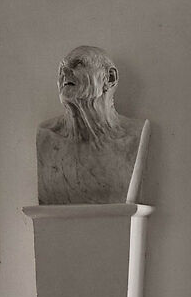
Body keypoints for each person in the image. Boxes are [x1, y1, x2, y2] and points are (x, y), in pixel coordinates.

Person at [35, 44, 148, 205]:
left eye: (78, 64)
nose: (64, 73)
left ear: (110, 78)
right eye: (61, 70)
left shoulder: (133, 136)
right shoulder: (47, 136)